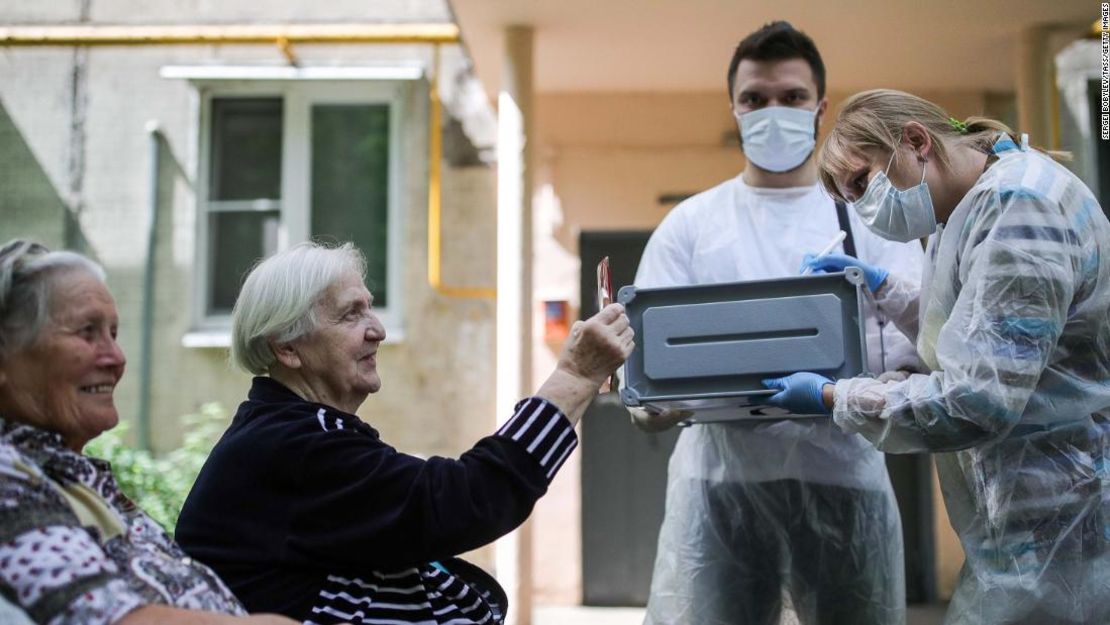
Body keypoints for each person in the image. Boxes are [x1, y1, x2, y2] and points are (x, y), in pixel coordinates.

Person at [768, 88, 1110, 624]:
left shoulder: (1018, 206)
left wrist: (835, 395)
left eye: (862, 182)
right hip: (1036, 521)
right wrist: (883, 286)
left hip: (1066, 525)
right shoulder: (971, 206)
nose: (865, 209)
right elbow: (977, 328)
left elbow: (976, 400)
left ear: (916, 141)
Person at [630, 22, 924, 625]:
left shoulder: (870, 222)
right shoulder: (690, 226)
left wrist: (845, 392)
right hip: (720, 489)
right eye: (754, 99)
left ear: (820, 107)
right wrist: (655, 405)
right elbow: (645, 382)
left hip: (844, 481)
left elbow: (921, 347)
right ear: (733, 109)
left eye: (791, 98)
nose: (773, 112)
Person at [175, 241, 633, 625]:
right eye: (351, 314)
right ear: (288, 349)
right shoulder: (289, 445)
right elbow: (465, 501)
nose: (377, 330)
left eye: (370, 309)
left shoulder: (296, 431)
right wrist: (573, 377)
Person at [0, 240, 299, 625]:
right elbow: (109, 619)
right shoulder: (11, 478)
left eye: (113, 333)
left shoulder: (65, 475)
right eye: (87, 332)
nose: (117, 358)